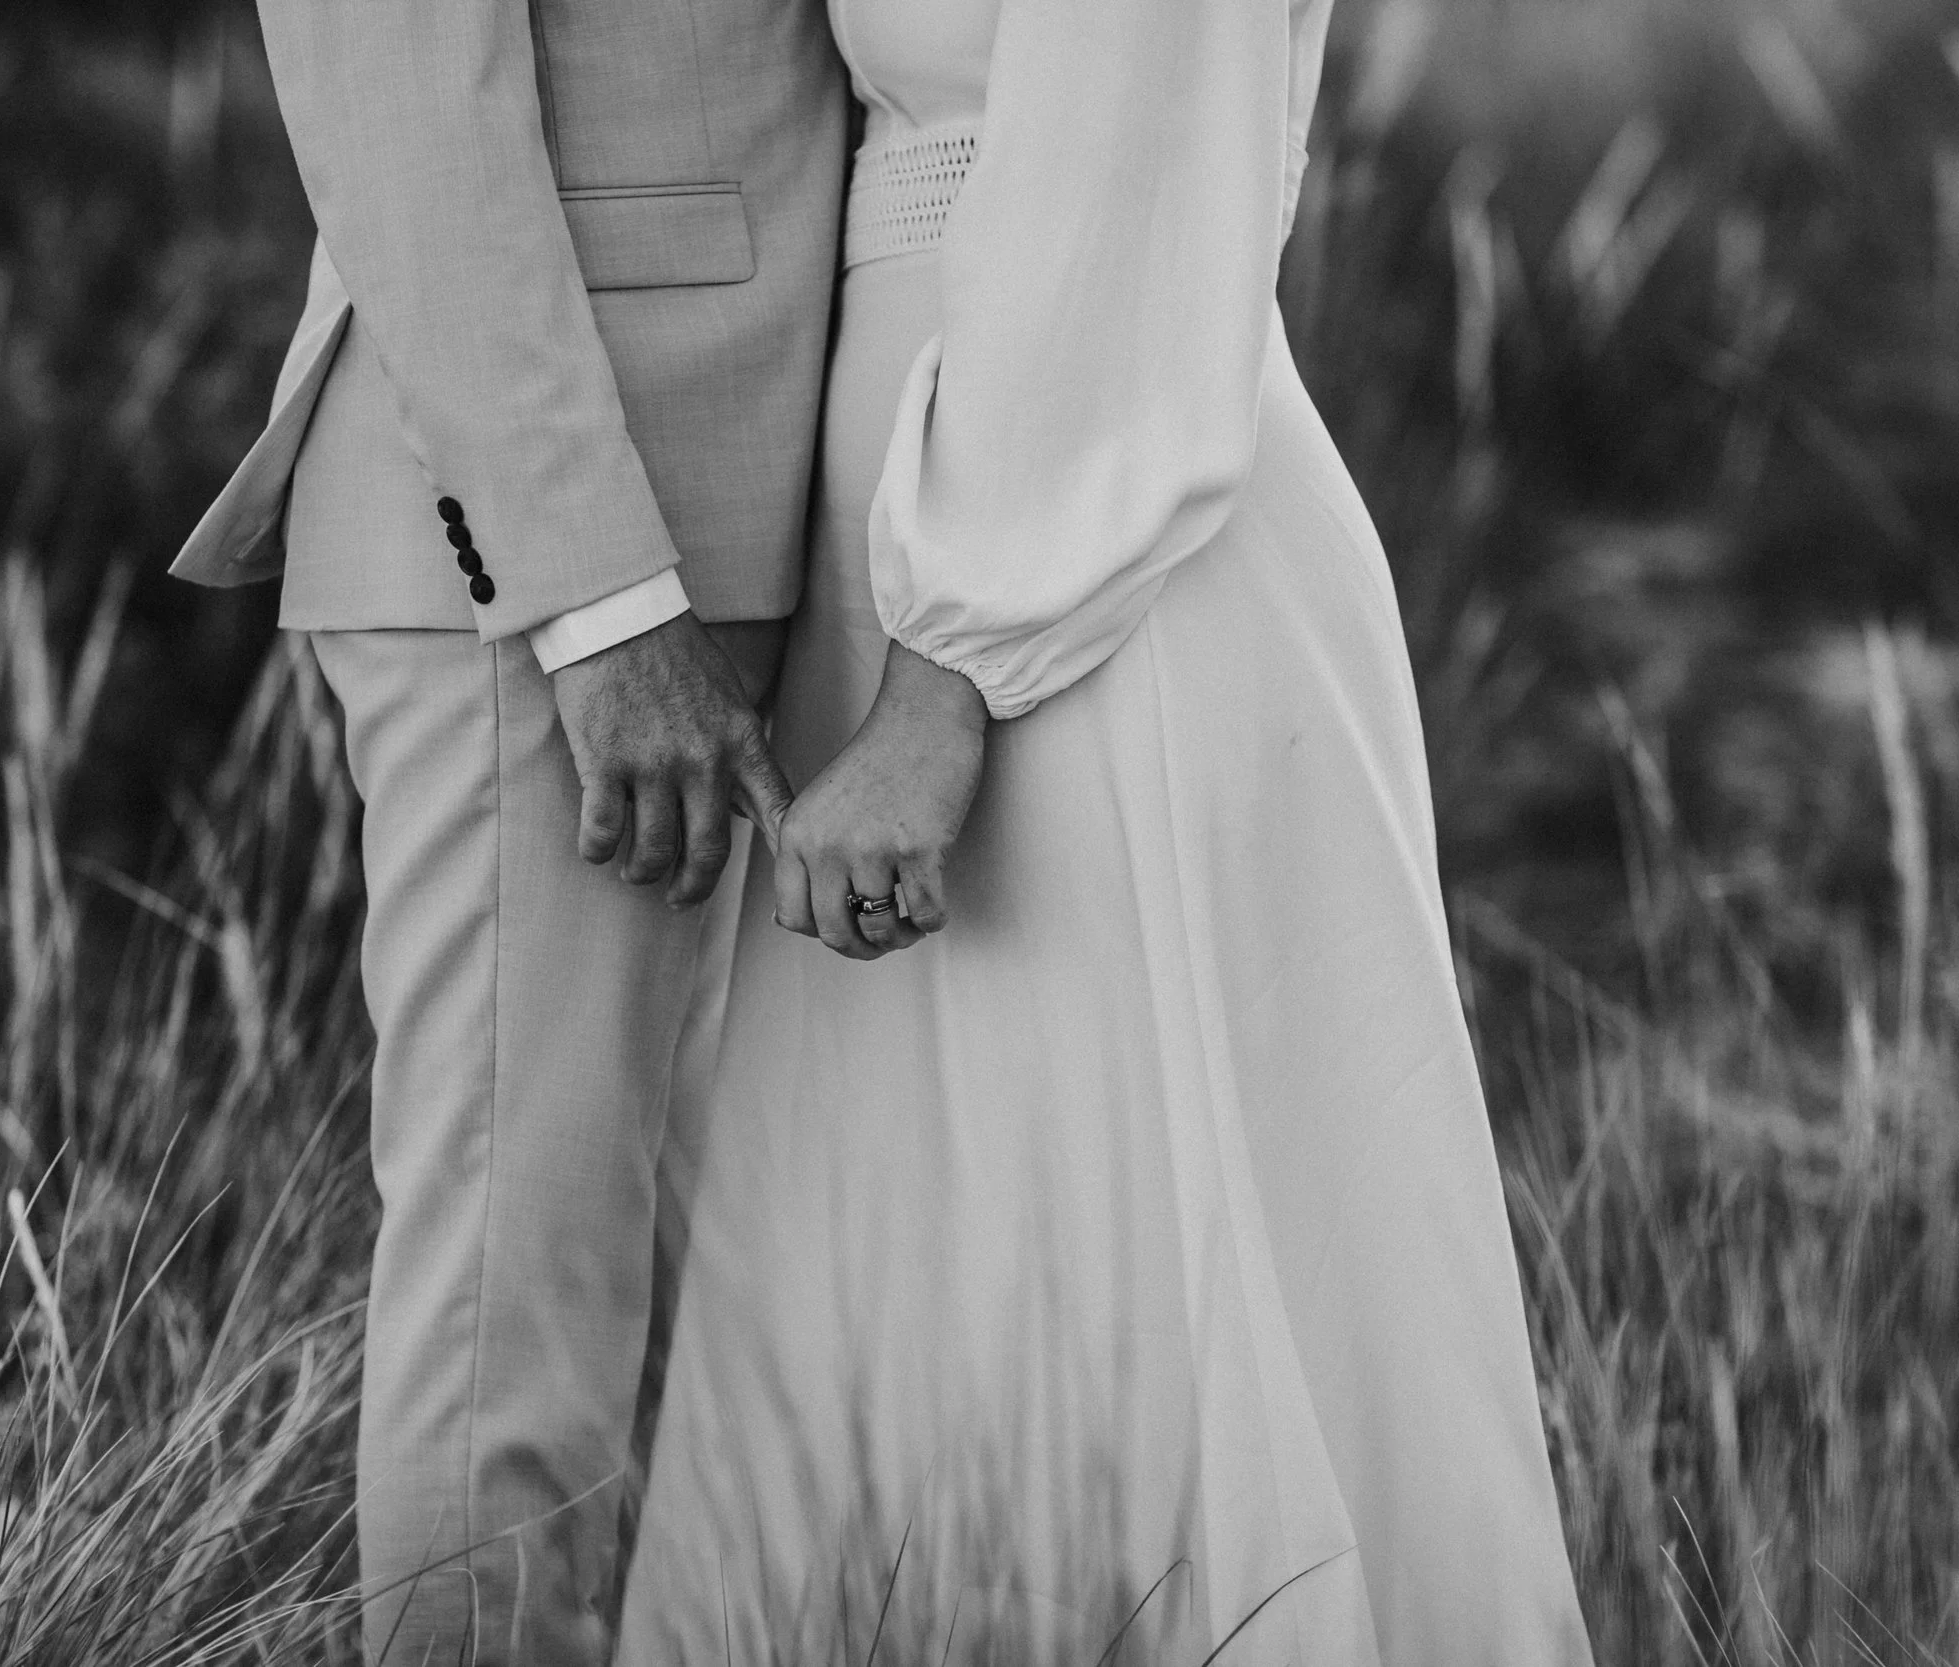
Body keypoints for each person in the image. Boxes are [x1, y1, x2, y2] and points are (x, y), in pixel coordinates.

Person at [615, 0, 1599, 1660]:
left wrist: (945, 685)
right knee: (937, 1282)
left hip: (1079, 565)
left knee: (1133, 1254)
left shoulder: (983, 619)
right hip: (921, 523)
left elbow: (1123, 160)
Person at [166, 0, 849, 1660]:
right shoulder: (588, 600)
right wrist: (597, 605)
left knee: (656, 1304)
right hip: (565, 571)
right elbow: (401, 100)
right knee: (514, 1317)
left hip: (755, 499)